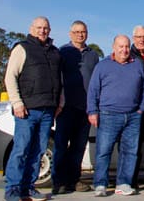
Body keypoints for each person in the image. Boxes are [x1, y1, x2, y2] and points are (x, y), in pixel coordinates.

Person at [3, 16, 62, 201]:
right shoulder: (22, 48)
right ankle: (12, 190)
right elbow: (10, 77)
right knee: (21, 150)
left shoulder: (54, 52)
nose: (42, 31)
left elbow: (60, 81)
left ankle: (28, 188)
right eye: (39, 27)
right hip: (27, 110)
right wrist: (17, 103)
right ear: (31, 29)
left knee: (39, 151)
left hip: (47, 110)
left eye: (45, 28)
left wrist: (59, 103)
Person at [87, 34, 144, 197]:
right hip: (108, 115)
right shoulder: (103, 66)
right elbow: (93, 90)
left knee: (129, 152)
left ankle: (123, 183)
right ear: (114, 47)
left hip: (133, 116)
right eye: (121, 46)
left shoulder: (137, 64)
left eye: (127, 46)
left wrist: (141, 108)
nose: (124, 50)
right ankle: (100, 184)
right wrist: (92, 111)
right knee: (103, 151)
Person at [51, 20, 99, 194]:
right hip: (65, 107)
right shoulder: (62, 52)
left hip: (85, 108)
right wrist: (58, 102)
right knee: (61, 146)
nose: (80, 34)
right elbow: (55, 77)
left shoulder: (93, 55)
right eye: (77, 32)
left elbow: (96, 81)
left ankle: (74, 180)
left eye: (83, 31)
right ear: (70, 34)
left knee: (78, 147)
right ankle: (58, 182)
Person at [129, 25, 144, 189]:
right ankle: (130, 179)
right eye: (139, 37)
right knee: (132, 145)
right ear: (133, 38)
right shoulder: (127, 55)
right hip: (133, 108)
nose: (142, 40)